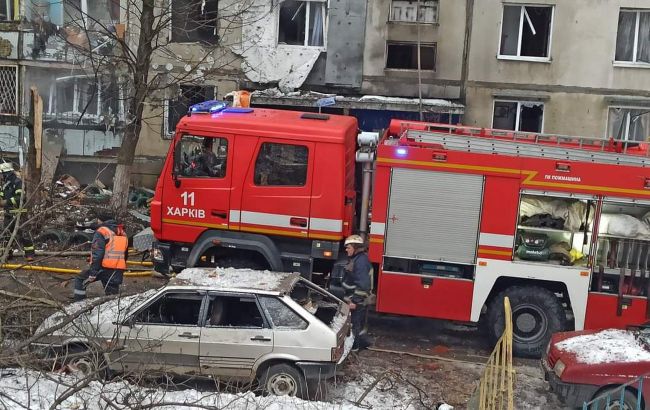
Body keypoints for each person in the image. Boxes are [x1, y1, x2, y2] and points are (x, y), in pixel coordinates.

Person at [73, 212, 128, 301]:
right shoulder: (122, 232)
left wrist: (93, 272)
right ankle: (112, 311)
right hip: (117, 269)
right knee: (112, 297)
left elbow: (98, 254)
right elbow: (125, 254)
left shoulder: (102, 231)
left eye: (98, 219)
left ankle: (79, 303)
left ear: (101, 220)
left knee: (80, 278)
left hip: (103, 268)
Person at [342, 234, 373, 351]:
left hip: (357, 301)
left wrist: (355, 301)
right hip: (354, 299)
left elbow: (363, 284)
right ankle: (360, 345)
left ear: (355, 247)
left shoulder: (361, 262)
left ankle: (354, 348)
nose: (346, 249)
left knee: (355, 325)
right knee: (356, 325)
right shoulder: (357, 259)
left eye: (348, 247)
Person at [0, 162, 35, 261]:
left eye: (1, 174)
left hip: (20, 213)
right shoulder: (5, 185)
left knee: (24, 234)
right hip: (8, 213)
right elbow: (2, 196)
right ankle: (6, 254)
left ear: (6, 173)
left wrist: (6, 202)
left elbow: (21, 198)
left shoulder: (18, 182)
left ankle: (30, 254)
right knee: (6, 235)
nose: (1, 176)